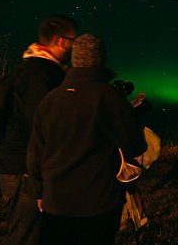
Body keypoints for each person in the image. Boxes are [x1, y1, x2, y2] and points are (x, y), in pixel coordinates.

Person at [27, 34, 147, 245]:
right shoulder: (110, 98)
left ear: (74, 60)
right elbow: (134, 145)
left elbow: (35, 153)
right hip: (99, 204)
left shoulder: (50, 100)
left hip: (56, 203)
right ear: (101, 60)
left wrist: (39, 193)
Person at [0, 15, 78, 245]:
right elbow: (41, 124)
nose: (74, 46)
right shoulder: (40, 73)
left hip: (24, 168)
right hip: (25, 171)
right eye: (73, 40)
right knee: (25, 237)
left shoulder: (36, 68)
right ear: (60, 40)